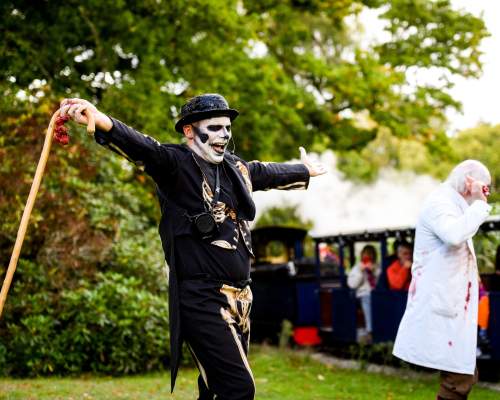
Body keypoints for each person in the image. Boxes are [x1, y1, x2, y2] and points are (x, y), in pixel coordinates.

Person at [59, 94, 326, 400]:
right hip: (202, 299)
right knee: (238, 389)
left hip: (241, 299)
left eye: (227, 128)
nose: (224, 134)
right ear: (189, 131)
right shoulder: (175, 164)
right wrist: (99, 117)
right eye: (214, 127)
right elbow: (141, 146)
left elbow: (265, 172)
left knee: (214, 391)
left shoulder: (234, 169)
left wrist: (304, 171)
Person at [393, 160, 492, 400]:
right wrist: (479, 203)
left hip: (452, 305)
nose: (486, 194)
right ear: (470, 183)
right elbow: (454, 235)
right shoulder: (440, 203)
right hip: (442, 304)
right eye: (485, 187)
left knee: (464, 375)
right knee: (460, 378)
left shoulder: (453, 204)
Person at [347, 245, 380, 343]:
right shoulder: (357, 268)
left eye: (371, 254)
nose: (369, 256)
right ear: (362, 255)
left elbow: (381, 282)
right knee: (368, 298)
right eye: (366, 254)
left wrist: (374, 271)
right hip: (363, 295)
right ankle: (370, 331)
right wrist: (361, 272)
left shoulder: (377, 266)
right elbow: (352, 285)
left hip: (377, 294)